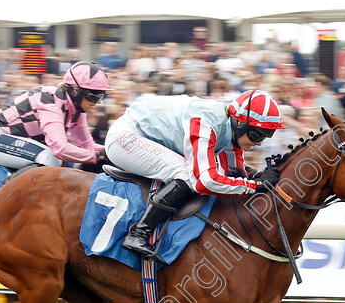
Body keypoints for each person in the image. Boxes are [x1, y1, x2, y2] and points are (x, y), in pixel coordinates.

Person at [104, 89, 285, 259]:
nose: (260, 144)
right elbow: (204, 182)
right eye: (257, 136)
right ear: (240, 123)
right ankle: (138, 234)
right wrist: (255, 186)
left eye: (265, 137)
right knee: (187, 176)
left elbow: (235, 172)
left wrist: (253, 178)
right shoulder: (206, 121)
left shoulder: (229, 127)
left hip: (142, 134)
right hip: (126, 138)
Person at [0, 61, 110, 184]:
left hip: (21, 140)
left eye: (101, 96)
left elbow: (86, 145)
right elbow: (60, 148)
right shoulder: (50, 104)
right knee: (50, 158)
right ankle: (4, 197)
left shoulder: (77, 108)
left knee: (70, 164)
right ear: (76, 90)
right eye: (94, 96)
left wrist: (111, 153)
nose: (98, 101)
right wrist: (98, 156)